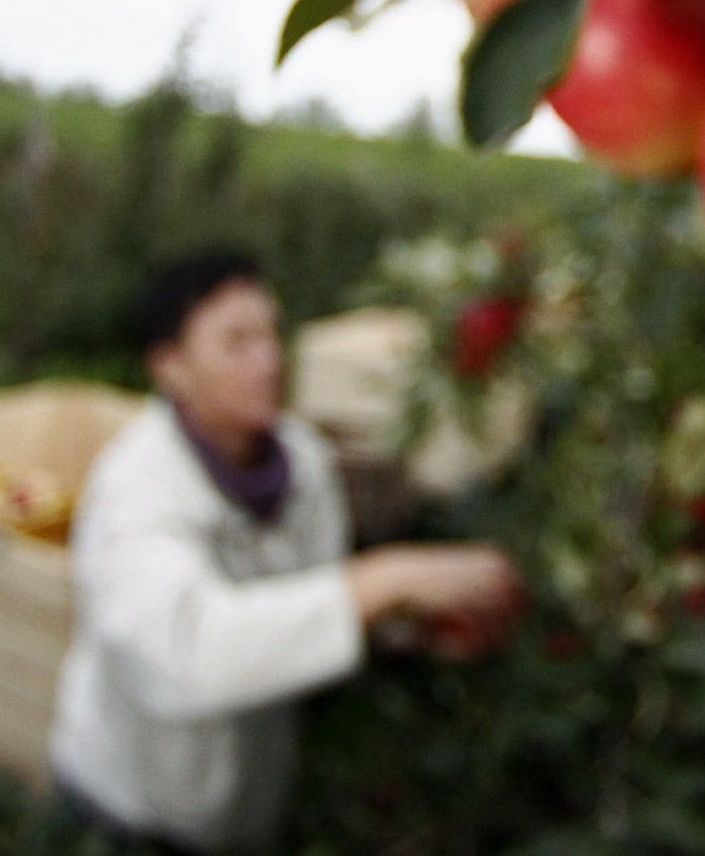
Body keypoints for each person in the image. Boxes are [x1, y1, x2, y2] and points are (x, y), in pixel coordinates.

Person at [49, 247, 526, 853]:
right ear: (170, 366)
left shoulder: (303, 462)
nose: (268, 360)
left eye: (272, 336)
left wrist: (398, 632)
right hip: (129, 816)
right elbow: (183, 654)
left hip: (246, 815)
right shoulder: (135, 490)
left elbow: (301, 605)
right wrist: (385, 580)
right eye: (237, 343)